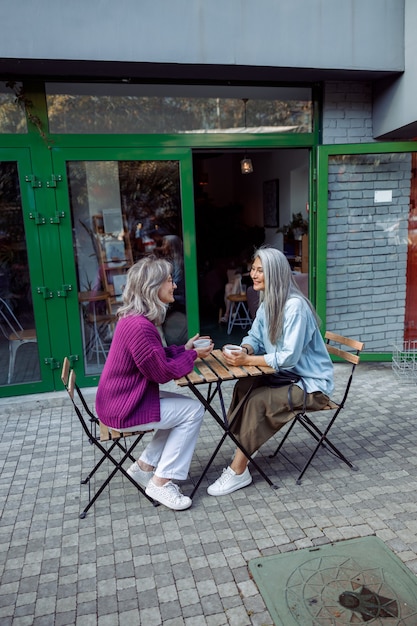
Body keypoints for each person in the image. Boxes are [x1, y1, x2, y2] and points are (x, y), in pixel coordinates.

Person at [207, 246, 334, 496]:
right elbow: (255, 336)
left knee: (257, 401)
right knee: (244, 386)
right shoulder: (268, 303)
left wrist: (248, 359)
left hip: (311, 386)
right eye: (253, 269)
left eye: (260, 270)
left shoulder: (295, 307)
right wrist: (243, 348)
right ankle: (243, 445)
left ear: (274, 274)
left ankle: (238, 471)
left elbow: (288, 358)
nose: (253, 274)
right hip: (287, 377)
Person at [95, 255, 213, 510]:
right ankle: (161, 482)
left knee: (183, 410)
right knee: (192, 411)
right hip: (124, 407)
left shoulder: (134, 320)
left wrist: (184, 349)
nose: (174, 286)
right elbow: (160, 373)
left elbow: (154, 358)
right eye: (170, 281)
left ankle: (144, 467)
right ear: (153, 287)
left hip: (122, 400)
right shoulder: (140, 326)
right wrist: (192, 355)